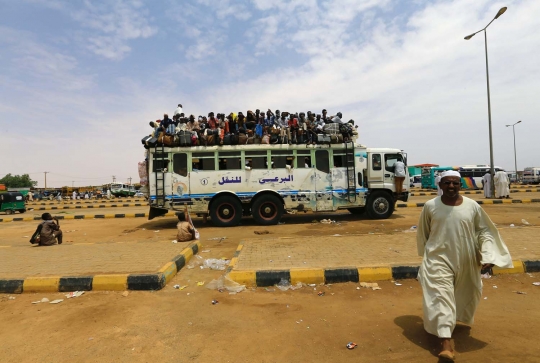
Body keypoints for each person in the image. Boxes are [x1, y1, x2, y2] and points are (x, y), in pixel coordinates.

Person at [416, 170, 512, 360]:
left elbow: (484, 231)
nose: (451, 186)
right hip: (438, 259)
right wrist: (427, 255)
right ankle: (445, 344)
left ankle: (453, 321)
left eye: (455, 183)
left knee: (469, 291)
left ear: (460, 185)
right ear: (440, 185)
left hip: (467, 259)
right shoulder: (430, 206)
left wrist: (487, 254)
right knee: (441, 297)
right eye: (447, 183)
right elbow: (424, 234)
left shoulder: (472, 206)